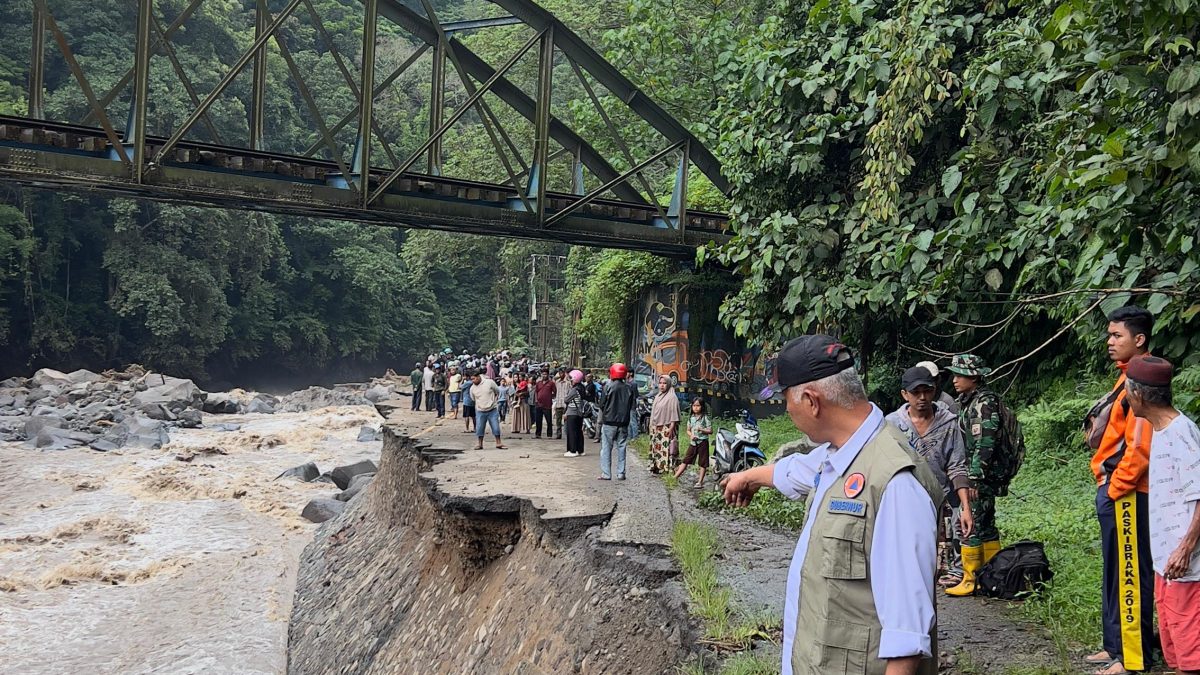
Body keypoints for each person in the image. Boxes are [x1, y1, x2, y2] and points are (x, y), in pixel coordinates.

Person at [721, 335, 941, 675]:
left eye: (785, 401)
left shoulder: (895, 484)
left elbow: (906, 642)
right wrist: (748, 477)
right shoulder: (840, 454)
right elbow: (796, 471)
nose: (787, 410)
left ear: (811, 401)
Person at [1084, 306, 1156, 675]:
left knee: (1130, 572)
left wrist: (1115, 488)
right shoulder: (1126, 376)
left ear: (1138, 339)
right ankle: (1115, 647)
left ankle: (1131, 658)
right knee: (1116, 569)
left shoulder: (1144, 379)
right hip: (1115, 488)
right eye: (1109, 335)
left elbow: (1140, 446)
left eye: (1117, 336)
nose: (1109, 342)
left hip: (1128, 491)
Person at [1124, 356, 1200, 675]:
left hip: (1186, 565)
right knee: (1173, 648)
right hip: (1165, 563)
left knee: (1191, 653)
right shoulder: (1158, 429)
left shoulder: (1183, 433)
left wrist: (1185, 549)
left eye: (1127, 391)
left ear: (1139, 396)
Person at [886, 366, 974, 589]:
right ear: (905, 395)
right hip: (904, 498)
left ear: (934, 391)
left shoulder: (948, 423)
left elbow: (957, 466)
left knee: (944, 551)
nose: (922, 398)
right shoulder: (892, 425)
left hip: (941, 496)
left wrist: (965, 507)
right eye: (916, 393)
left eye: (927, 391)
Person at [943, 354, 1004, 597]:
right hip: (980, 474)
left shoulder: (983, 404)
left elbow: (985, 444)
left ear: (974, 377)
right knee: (986, 525)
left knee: (970, 524)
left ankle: (971, 578)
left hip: (979, 476)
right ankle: (992, 576)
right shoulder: (971, 400)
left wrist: (974, 480)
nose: (955, 380)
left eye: (961, 375)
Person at [599, 363, 636, 480]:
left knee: (606, 448)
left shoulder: (608, 387)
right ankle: (621, 473)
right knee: (622, 447)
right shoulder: (629, 388)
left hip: (609, 422)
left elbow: (601, 404)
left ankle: (606, 473)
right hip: (623, 423)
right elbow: (631, 405)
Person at [673, 396, 712, 488]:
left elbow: (710, 431)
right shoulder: (691, 418)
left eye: (698, 406)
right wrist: (691, 435)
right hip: (693, 443)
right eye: (694, 405)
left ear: (702, 407)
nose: (696, 408)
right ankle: (675, 477)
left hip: (703, 442)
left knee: (703, 462)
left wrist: (702, 430)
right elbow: (688, 430)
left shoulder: (705, 418)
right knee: (686, 460)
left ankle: (700, 482)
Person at [648, 375, 680, 474]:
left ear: (669, 384)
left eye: (664, 383)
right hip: (656, 427)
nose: (662, 385)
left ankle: (666, 468)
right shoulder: (658, 396)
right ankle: (657, 466)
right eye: (660, 383)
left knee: (666, 448)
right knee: (656, 447)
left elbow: (674, 413)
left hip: (666, 427)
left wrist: (671, 428)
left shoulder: (672, 397)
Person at [470, 370, 505, 450]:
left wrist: (494, 400)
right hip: (480, 410)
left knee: (495, 427)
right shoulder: (472, 388)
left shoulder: (489, 382)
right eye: (471, 379)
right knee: (479, 428)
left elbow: (497, 391)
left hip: (492, 409)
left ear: (478, 377)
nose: (473, 381)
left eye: (474, 378)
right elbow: (473, 398)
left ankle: (498, 442)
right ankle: (480, 444)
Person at [563, 369, 587, 458]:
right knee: (578, 432)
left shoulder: (574, 390)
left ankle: (572, 450)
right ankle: (580, 450)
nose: (570, 381)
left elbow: (566, 400)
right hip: (579, 413)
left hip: (572, 413)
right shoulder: (582, 388)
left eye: (571, 379)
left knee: (571, 432)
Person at [534, 371, 556, 439]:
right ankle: (538, 434)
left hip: (547, 405)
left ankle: (549, 435)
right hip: (539, 404)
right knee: (538, 420)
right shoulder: (538, 383)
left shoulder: (551, 383)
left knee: (549, 421)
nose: (544, 375)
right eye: (543, 374)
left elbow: (555, 392)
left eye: (545, 374)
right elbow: (536, 392)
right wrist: (536, 400)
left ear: (548, 375)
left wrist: (550, 397)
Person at [553, 369, 571, 441]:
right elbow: (553, 379)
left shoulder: (568, 383)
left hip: (565, 404)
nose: (561, 375)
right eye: (559, 373)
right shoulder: (557, 383)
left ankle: (567, 434)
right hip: (558, 403)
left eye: (562, 373)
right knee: (558, 420)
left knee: (566, 420)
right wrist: (557, 376)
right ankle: (558, 434)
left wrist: (567, 376)